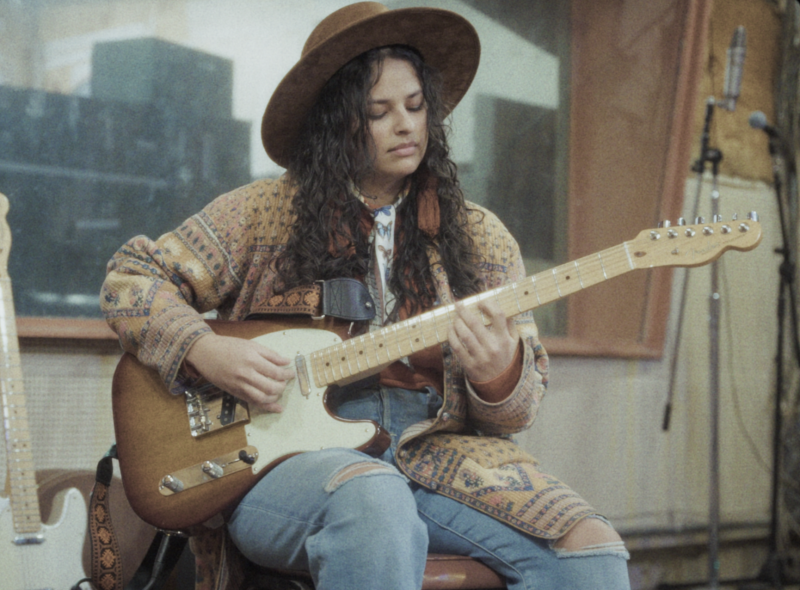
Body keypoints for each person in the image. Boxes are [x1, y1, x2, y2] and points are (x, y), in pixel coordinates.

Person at [101, 3, 631, 589]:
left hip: (438, 456)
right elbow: (131, 278)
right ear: (337, 123)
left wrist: (498, 375)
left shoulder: (481, 237)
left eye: (416, 106)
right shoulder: (261, 213)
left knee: (591, 551)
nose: (406, 125)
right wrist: (204, 349)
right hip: (284, 463)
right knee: (375, 503)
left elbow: (520, 408)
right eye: (378, 112)